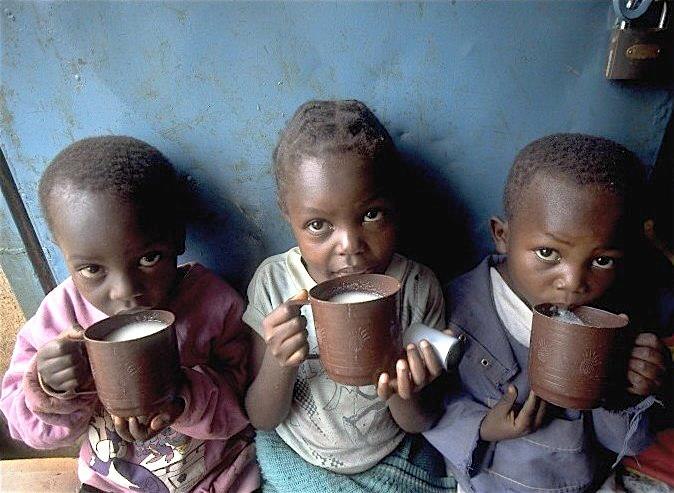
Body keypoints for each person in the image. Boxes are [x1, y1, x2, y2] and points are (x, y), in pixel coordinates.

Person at [1, 136, 258, 492]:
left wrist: (181, 397)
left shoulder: (214, 304)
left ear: (177, 238)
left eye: (148, 259)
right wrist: (52, 388)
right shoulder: (61, 314)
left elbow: (246, 407)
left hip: (219, 479)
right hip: (111, 485)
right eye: (92, 269)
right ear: (63, 253)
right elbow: (25, 428)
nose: (125, 291)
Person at [425, 133, 669, 493]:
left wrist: (628, 395)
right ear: (502, 235)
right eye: (548, 253)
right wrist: (482, 426)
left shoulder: (614, 320)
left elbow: (626, 445)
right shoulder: (457, 306)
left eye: (602, 261)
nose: (573, 283)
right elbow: (429, 409)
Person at [244, 100, 456, 492]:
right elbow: (262, 417)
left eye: (371, 215)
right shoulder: (275, 284)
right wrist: (280, 361)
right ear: (288, 215)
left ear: (395, 204)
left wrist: (403, 387)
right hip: (300, 459)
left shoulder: (417, 287)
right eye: (318, 225)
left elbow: (420, 422)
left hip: (391, 458)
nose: (349, 245)